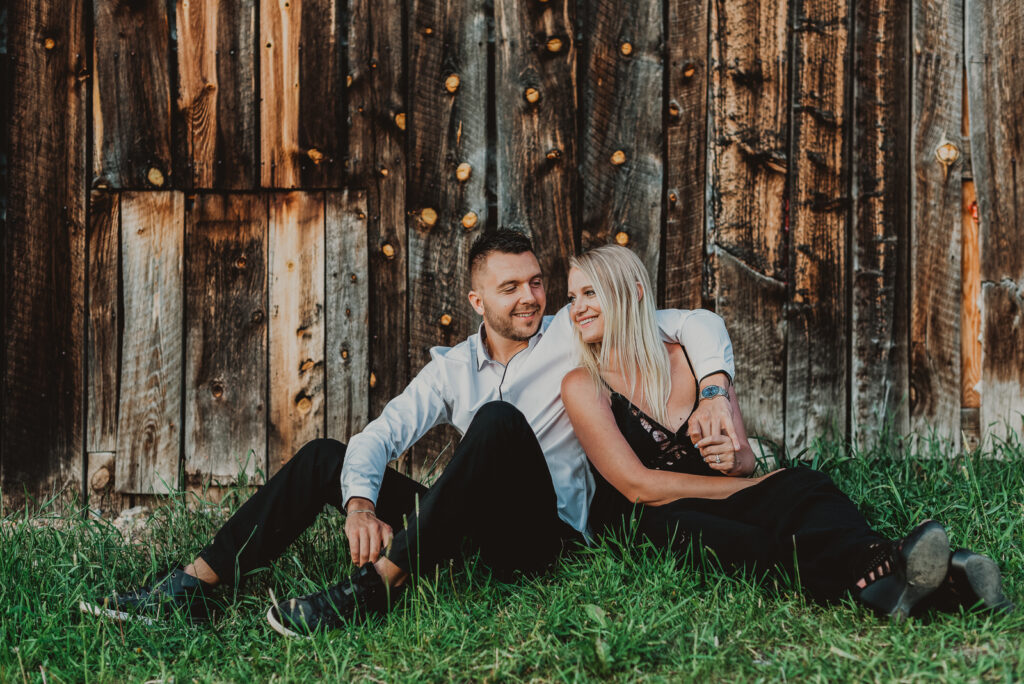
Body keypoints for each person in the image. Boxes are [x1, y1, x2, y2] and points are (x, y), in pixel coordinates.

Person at [80, 229, 742, 636]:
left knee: (498, 422)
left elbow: (694, 322)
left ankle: (378, 588)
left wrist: (713, 388)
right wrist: (361, 503)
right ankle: (195, 587)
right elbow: (380, 435)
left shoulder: (573, 332)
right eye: (510, 287)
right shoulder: (453, 367)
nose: (531, 298)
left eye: (537, 282)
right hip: (464, 528)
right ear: (477, 301)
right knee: (325, 457)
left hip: (544, 537)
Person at [560, 244, 1014, 620]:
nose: (577, 308)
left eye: (589, 293)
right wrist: (751, 490)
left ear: (634, 293)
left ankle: (892, 577)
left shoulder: (692, 357)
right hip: (650, 519)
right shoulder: (583, 383)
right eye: (572, 297)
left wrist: (734, 462)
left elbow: (744, 462)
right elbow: (636, 487)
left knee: (807, 485)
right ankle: (931, 579)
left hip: (725, 491)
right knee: (744, 539)